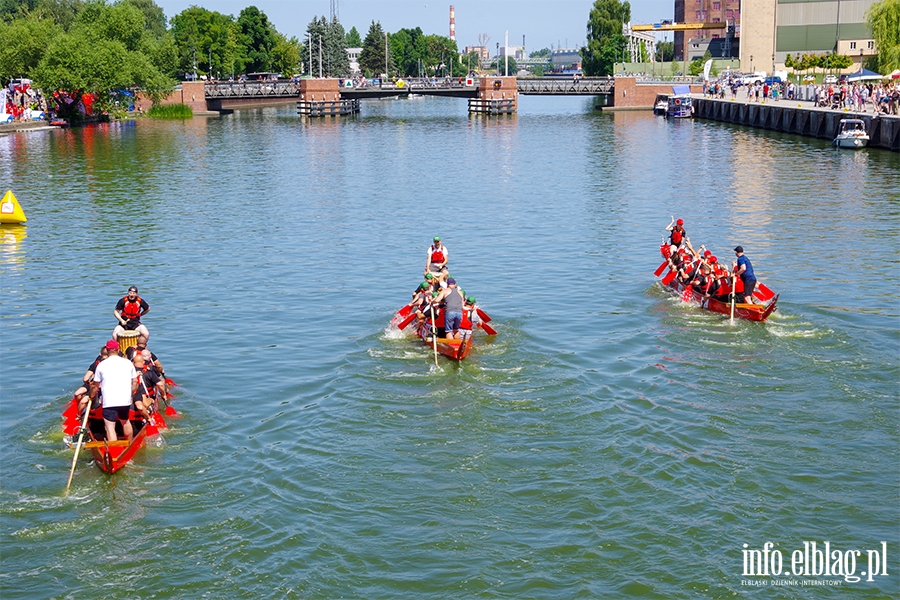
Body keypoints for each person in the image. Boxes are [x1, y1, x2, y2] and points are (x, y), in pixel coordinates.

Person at [89, 339, 139, 443]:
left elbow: (95, 386)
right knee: (125, 422)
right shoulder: (128, 363)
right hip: (125, 400)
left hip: (109, 401)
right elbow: (135, 382)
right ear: (118, 349)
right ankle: (128, 444)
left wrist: (91, 396)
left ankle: (114, 450)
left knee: (110, 427)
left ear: (107, 350)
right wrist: (131, 393)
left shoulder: (101, 365)